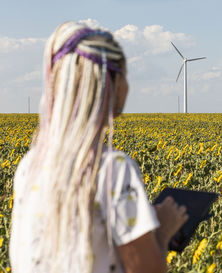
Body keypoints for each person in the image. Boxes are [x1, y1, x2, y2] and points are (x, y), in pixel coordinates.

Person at [9, 21, 188, 273]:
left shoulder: (29, 166)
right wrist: (164, 231)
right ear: (111, 85)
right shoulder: (111, 170)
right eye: (125, 75)